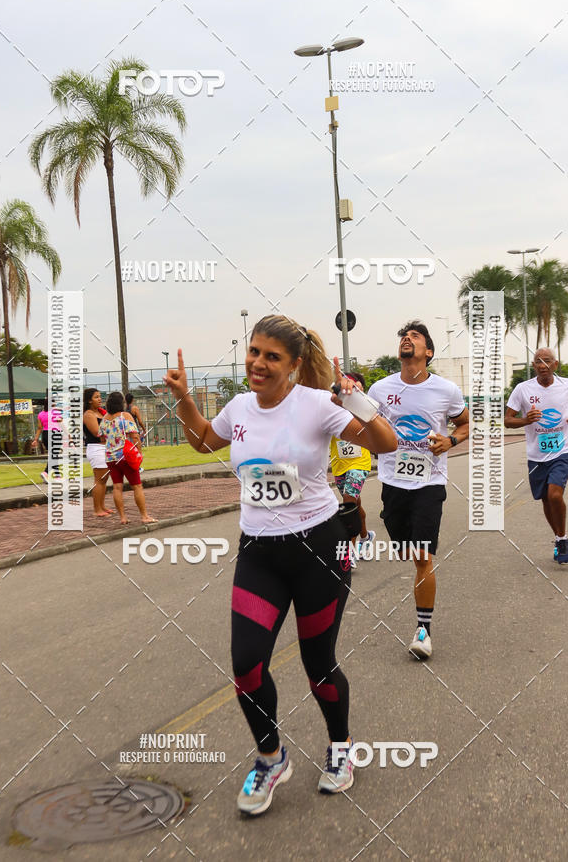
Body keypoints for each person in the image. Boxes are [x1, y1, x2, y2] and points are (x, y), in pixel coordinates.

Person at [164, 315, 397, 816]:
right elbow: (205, 441)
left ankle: (340, 748)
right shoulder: (240, 406)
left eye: (272, 356)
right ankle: (271, 759)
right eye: (253, 352)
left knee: (318, 666)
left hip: (320, 550)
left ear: (293, 365)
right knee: (246, 668)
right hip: (260, 554)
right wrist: (185, 399)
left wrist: (353, 397)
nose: (258, 363)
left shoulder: (316, 405)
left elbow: (385, 444)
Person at [368, 321, 469, 659]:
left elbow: (466, 422)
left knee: (423, 556)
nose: (407, 339)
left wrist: (451, 439)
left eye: (415, 337)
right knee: (405, 549)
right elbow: (364, 423)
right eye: (404, 336)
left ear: (428, 352)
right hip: (393, 482)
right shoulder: (380, 389)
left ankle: (423, 629)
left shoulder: (446, 390)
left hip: (430, 482)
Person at [505, 348, 568, 564]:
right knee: (545, 499)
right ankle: (558, 537)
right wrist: (526, 420)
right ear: (534, 366)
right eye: (538, 361)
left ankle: (562, 538)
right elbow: (508, 420)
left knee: (554, 495)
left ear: (555, 365)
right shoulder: (522, 389)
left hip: (563, 451)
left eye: (547, 361)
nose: (543, 365)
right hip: (536, 455)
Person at [329, 371, 375, 569]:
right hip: (339, 465)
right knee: (354, 503)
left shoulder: (363, 407)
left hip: (359, 462)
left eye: (354, 386)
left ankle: (349, 551)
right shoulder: (331, 406)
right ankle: (366, 536)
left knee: (348, 501)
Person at [98, 391, 156, 525]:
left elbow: (102, 438)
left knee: (117, 487)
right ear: (121, 403)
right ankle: (144, 516)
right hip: (125, 456)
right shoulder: (126, 416)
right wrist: (139, 453)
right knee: (137, 486)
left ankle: (123, 517)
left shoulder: (104, 419)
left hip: (111, 458)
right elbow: (135, 436)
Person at [83, 388, 113, 517]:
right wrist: (112, 433)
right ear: (89, 400)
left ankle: (102, 506)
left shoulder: (102, 413)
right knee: (99, 480)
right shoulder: (89, 414)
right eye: (96, 397)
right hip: (96, 448)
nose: (100, 399)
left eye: (100, 396)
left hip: (105, 447)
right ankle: (97, 509)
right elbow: (97, 433)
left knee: (104, 479)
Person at [32, 398, 61, 484]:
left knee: (53, 455)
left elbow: (39, 428)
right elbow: (61, 425)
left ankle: (57, 476)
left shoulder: (41, 414)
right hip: (55, 434)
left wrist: (35, 439)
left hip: (45, 435)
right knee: (54, 455)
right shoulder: (56, 413)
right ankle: (46, 472)